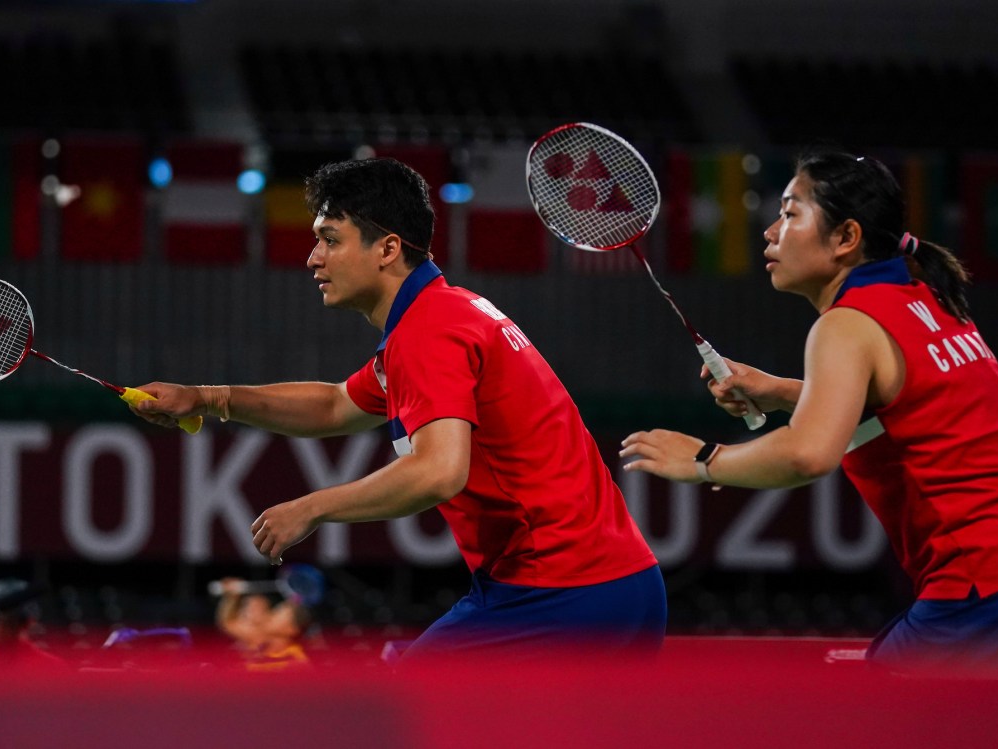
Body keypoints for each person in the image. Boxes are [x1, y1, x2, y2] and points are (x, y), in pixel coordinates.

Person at [620, 150, 998, 672]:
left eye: (790, 213)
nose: (770, 231)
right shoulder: (928, 299)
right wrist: (782, 391)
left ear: (846, 237)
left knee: (868, 719)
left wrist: (703, 459)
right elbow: (909, 403)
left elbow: (808, 455)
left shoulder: (845, 324)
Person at [133, 157, 665, 662]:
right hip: (622, 583)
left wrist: (313, 508)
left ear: (387, 248)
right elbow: (336, 405)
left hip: (561, 590)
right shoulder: (447, 313)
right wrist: (208, 397)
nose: (312, 258)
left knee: (402, 712)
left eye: (330, 240)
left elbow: (438, 471)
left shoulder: (428, 332)